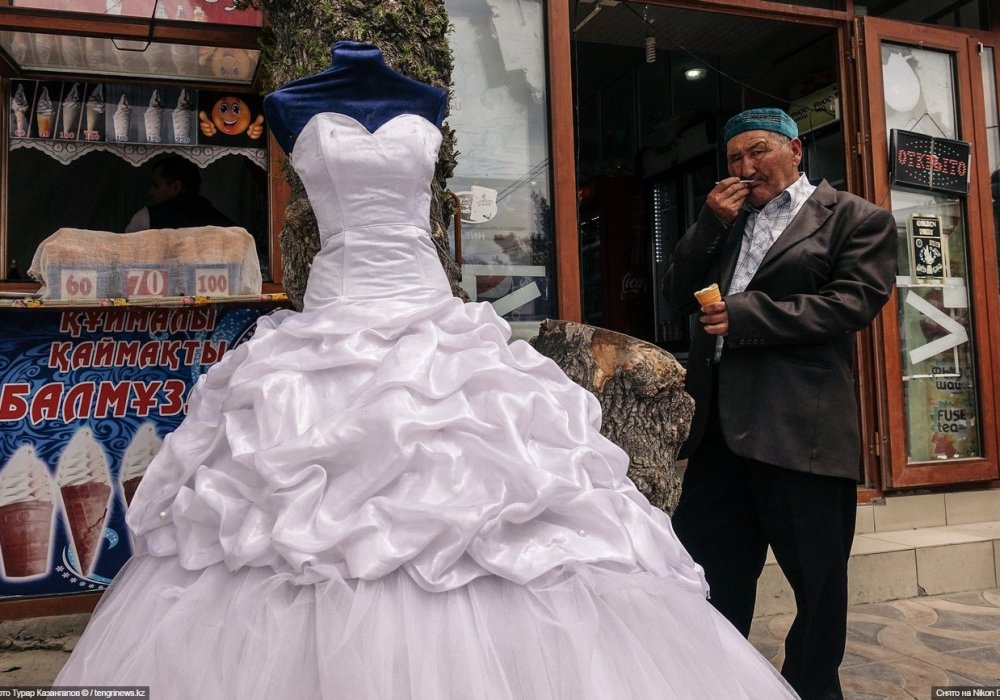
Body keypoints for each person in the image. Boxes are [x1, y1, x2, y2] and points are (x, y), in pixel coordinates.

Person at [56, 43, 797, 698]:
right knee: (295, 503)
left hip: (428, 310)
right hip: (338, 312)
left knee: (494, 487)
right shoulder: (287, 103)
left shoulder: (425, 101)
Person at [662, 107, 897, 699]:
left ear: (796, 149)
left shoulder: (856, 218)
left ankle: (812, 691)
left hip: (802, 431)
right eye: (735, 157)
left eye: (758, 150)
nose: (745, 166)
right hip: (718, 435)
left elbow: (852, 303)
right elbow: (674, 290)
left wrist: (745, 317)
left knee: (817, 588)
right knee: (708, 581)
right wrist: (709, 224)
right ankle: (716, 685)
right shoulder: (729, 220)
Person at [124, 153, 236, 232]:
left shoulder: (147, 217)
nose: (151, 192)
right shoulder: (229, 228)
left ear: (175, 187)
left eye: (156, 185)